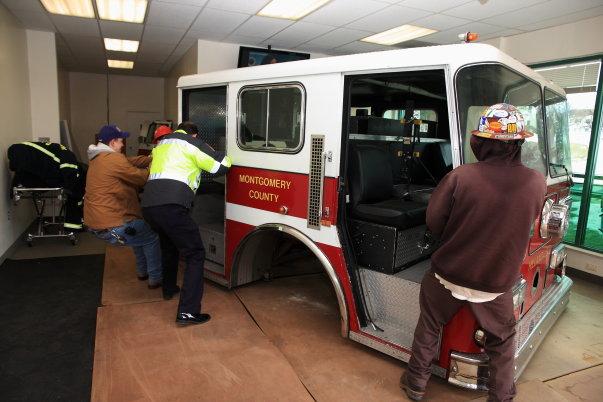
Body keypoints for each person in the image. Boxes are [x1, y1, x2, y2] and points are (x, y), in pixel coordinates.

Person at [400, 104, 547, 402]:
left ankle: (415, 383)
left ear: (479, 142)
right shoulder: (536, 181)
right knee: (503, 341)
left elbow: (434, 221)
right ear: (518, 144)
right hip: (496, 283)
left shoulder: (461, 176)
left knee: (429, 327)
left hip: (448, 275)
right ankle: (502, 396)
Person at [141, 121, 232, 326]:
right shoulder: (191, 143)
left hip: (149, 207)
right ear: (195, 135)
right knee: (195, 254)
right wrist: (219, 151)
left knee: (169, 245)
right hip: (172, 207)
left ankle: (169, 288)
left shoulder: (162, 144)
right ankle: (188, 312)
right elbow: (220, 166)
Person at [84, 125, 162, 288]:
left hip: (95, 221)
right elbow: (142, 178)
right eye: (120, 141)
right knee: (151, 237)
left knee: (140, 234)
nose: (122, 145)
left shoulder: (98, 158)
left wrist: (155, 155)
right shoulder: (113, 159)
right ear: (112, 142)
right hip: (112, 224)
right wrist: (157, 164)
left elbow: (130, 161)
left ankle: (143, 272)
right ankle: (156, 279)